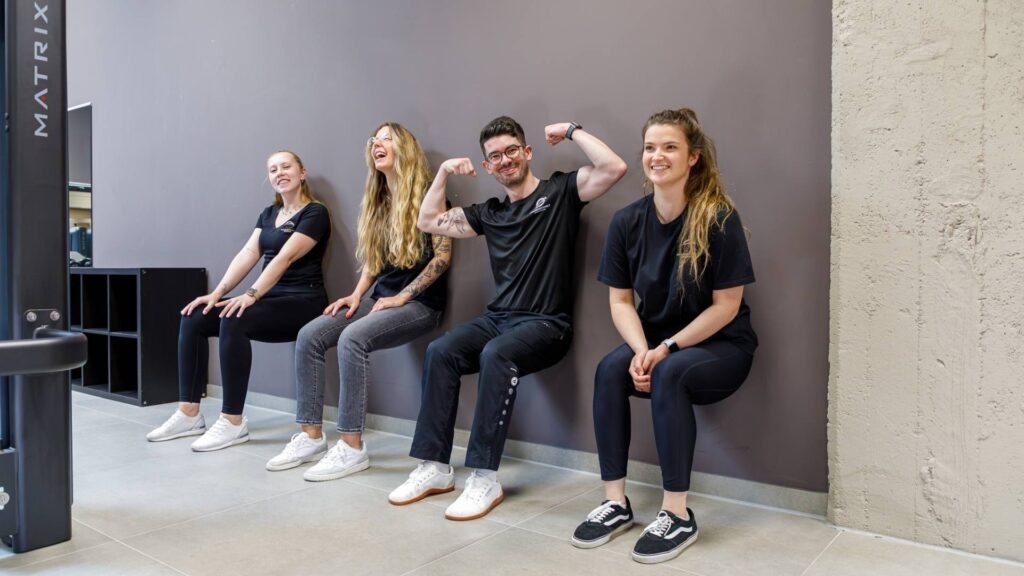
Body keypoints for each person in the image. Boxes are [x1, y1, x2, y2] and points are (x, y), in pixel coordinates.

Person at [389, 116, 627, 521]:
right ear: (487, 167)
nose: (505, 160)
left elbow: (614, 168)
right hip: (499, 319)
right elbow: (427, 221)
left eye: (511, 150)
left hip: (547, 325)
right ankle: (435, 467)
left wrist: (573, 131)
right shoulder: (490, 213)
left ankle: (484, 477)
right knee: (441, 351)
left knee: (496, 354)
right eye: (495, 156)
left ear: (527, 152)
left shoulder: (560, 192)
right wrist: (443, 172)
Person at [570, 108, 757, 564]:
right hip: (654, 342)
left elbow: (727, 306)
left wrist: (666, 349)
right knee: (610, 369)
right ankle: (615, 503)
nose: (657, 156)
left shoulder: (718, 217)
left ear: (693, 157)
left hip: (721, 346)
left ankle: (677, 513)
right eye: (650, 147)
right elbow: (620, 301)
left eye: (670, 147)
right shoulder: (627, 222)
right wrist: (641, 350)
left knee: (671, 372)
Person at [265, 123, 451, 480]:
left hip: (421, 303)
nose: (376, 144)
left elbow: (442, 258)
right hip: (382, 299)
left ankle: (351, 447)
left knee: (352, 338)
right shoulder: (379, 200)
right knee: (310, 335)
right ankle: (311, 437)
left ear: (404, 147)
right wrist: (356, 294)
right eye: (373, 140)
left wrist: (402, 296)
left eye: (386, 139)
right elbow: (374, 262)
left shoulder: (431, 195)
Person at [146, 151, 331, 452]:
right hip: (269, 298)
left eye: (286, 166)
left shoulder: (315, 213)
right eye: (273, 169)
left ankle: (232, 422)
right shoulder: (268, 214)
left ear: (302, 173)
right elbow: (248, 254)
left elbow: (284, 258)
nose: (280, 173)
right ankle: (189, 414)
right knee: (195, 316)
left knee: (235, 316)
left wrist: (251, 294)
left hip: (303, 301)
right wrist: (217, 294)